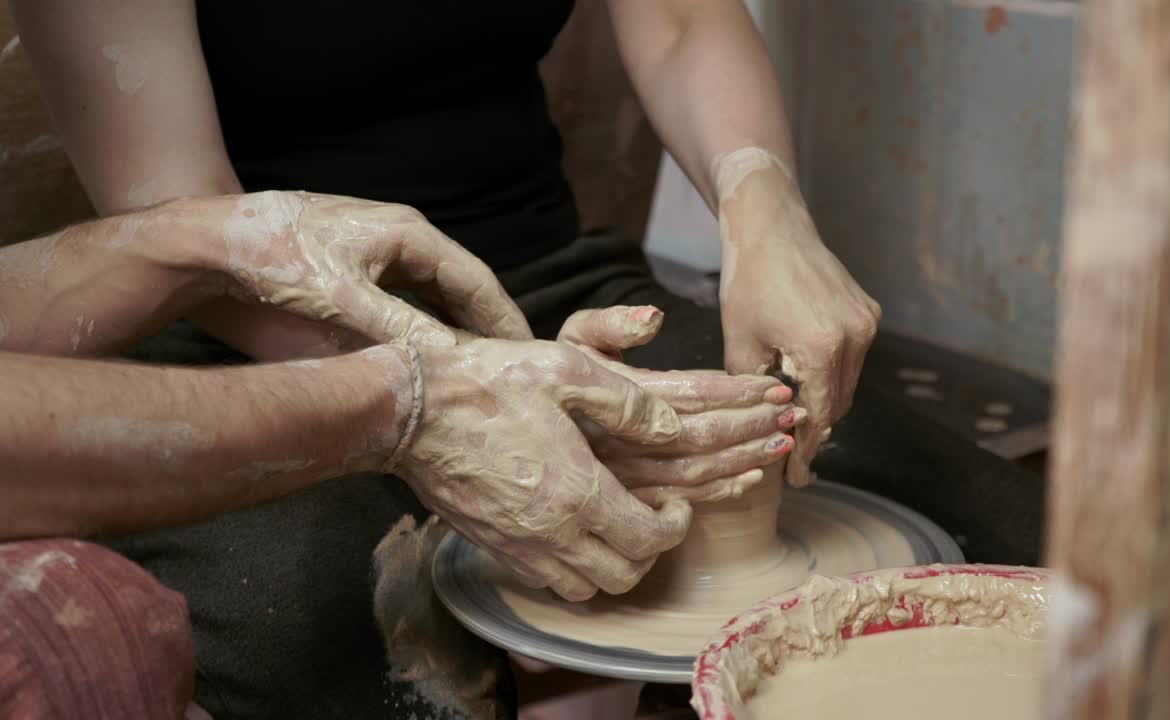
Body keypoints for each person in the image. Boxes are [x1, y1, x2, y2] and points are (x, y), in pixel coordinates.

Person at [12, 0, 879, 715]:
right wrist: (447, 393)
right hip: (255, 313)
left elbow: (683, 21)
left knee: (905, 505)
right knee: (297, 646)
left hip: (537, 270)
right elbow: (183, 221)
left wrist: (763, 206)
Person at [0, 194, 796, 717]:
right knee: (134, 635)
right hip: (243, 355)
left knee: (900, 464)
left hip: (493, 275)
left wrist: (208, 239)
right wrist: (411, 403)